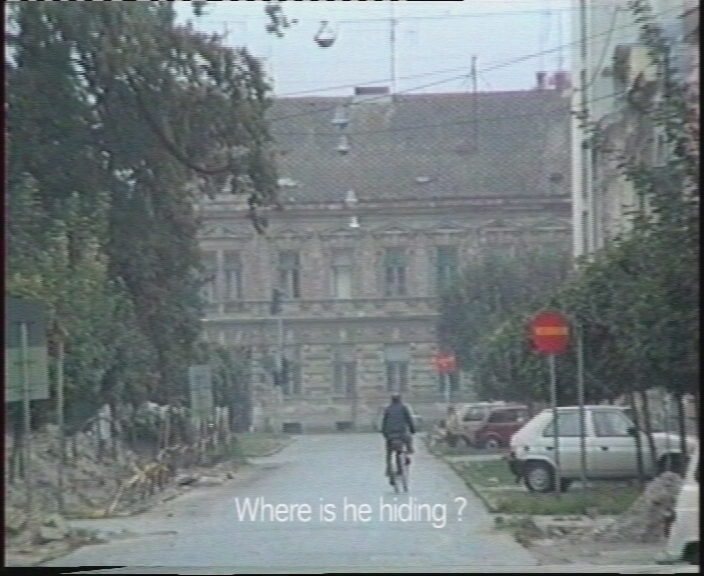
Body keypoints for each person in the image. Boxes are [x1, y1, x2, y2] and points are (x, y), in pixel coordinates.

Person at [381, 394, 415, 478]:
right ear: (400, 399)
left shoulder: (388, 409)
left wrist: (384, 433)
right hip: (401, 434)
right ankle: (408, 453)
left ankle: (388, 469)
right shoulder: (404, 408)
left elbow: (384, 422)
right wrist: (412, 430)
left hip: (390, 435)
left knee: (389, 453)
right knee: (407, 442)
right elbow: (409, 420)